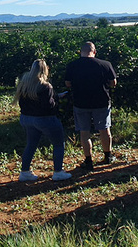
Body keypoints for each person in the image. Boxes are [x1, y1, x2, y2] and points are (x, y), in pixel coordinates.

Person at [64, 41, 118, 170]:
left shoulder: (72, 66)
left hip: (80, 103)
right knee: (104, 129)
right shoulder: (105, 64)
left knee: (84, 132)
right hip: (101, 102)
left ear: (81, 51)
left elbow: (67, 83)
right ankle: (107, 156)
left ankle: (88, 160)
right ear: (94, 51)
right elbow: (113, 83)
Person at [15, 60, 72, 182]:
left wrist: (56, 95)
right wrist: (57, 101)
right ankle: (58, 171)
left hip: (26, 118)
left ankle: (24, 172)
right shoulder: (46, 86)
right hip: (44, 119)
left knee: (31, 144)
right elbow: (49, 105)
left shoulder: (25, 83)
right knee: (58, 144)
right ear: (44, 70)